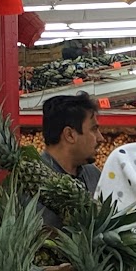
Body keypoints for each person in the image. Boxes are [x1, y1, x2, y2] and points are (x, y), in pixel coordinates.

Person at [38, 91, 103, 227]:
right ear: (70, 135)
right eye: (94, 129)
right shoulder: (33, 184)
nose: (100, 138)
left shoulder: (94, 175)